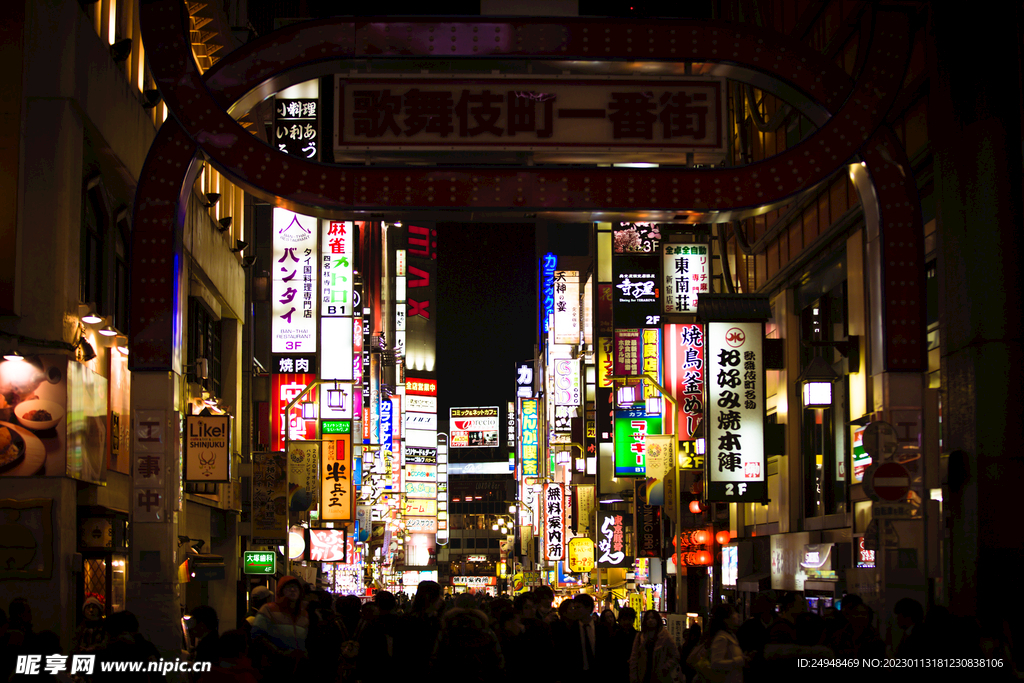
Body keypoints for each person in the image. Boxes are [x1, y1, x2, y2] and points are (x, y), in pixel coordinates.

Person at [250, 576, 309, 677]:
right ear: (280, 591)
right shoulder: (268, 609)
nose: (293, 589)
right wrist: (279, 653)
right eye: (288, 587)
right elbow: (257, 636)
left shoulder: (304, 614)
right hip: (272, 669)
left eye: (296, 587)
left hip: (297, 669)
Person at [629, 611, 682, 683]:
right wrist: (633, 676)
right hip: (643, 676)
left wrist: (665, 668)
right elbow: (634, 658)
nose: (650, 620)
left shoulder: (665, 636)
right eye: (648, 618)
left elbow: (675, 655)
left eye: (653, 618)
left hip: (660, 677)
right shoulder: (639, 636)